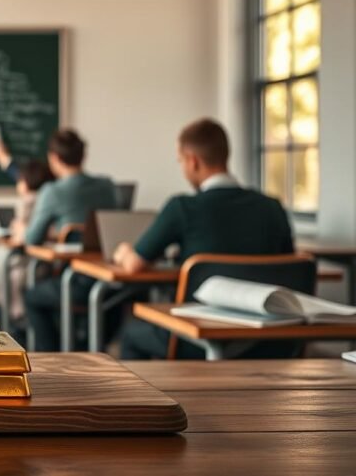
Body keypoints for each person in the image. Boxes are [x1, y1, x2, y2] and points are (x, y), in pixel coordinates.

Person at [115, 118, 295, 359]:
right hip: (270, 340)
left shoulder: (182, 207)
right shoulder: (273, 208)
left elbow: (134, 264)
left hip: (196, 338)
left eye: (180, 161)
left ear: (193, 161)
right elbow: (290, 266)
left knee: (131, 334)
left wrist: (123, 251)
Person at [21, 129, 118, 351]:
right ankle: (84, 347)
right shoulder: (107, 186)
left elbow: (31, 239)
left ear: (54, 158)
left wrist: (25, 230)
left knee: (32, 298)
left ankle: (52, 355)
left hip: (74, 281)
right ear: (83, 155)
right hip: (111, 279)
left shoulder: (52, 191)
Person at [6, 159, 54, 320]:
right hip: (42, 261)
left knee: (9, 272)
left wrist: (18, 228)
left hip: (34, 262)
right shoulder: (46, 197)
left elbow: (23, 237)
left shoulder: (30, 201)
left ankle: (10, 318)